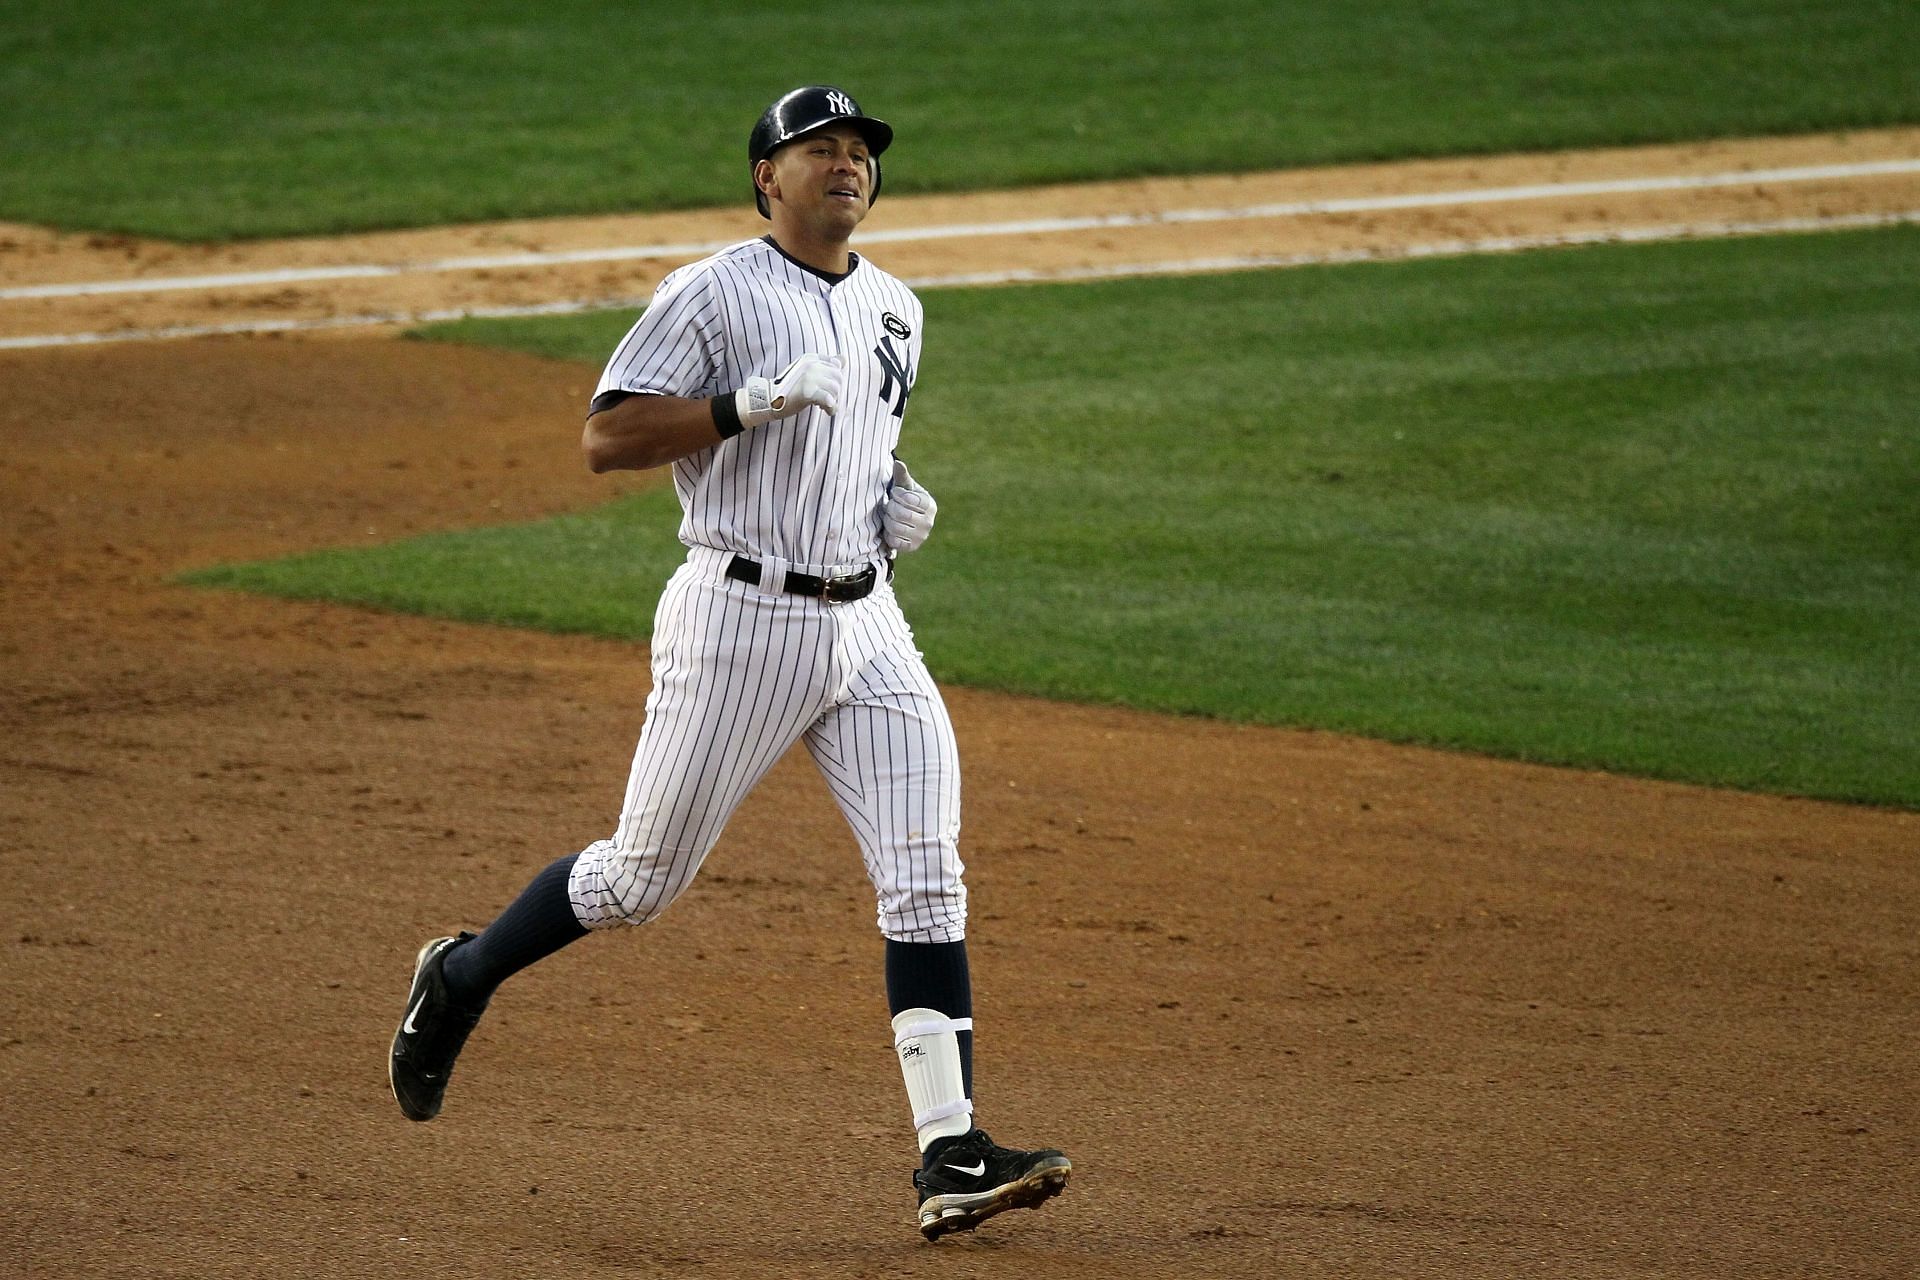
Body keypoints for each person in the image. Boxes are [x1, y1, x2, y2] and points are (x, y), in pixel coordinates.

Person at [387, 85, 1070, 1242]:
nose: (845, 164)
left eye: (858, 151)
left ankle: (948, 1150)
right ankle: (460, 972)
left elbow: (861, 449)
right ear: (768, 178)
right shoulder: (710, 291)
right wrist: (740, 405)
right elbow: (605, 436)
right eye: (819, 150)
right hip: (741, 618)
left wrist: (887, 505)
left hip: (870, 623)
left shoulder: (900, 308)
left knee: (925, 875)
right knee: (636, 882)